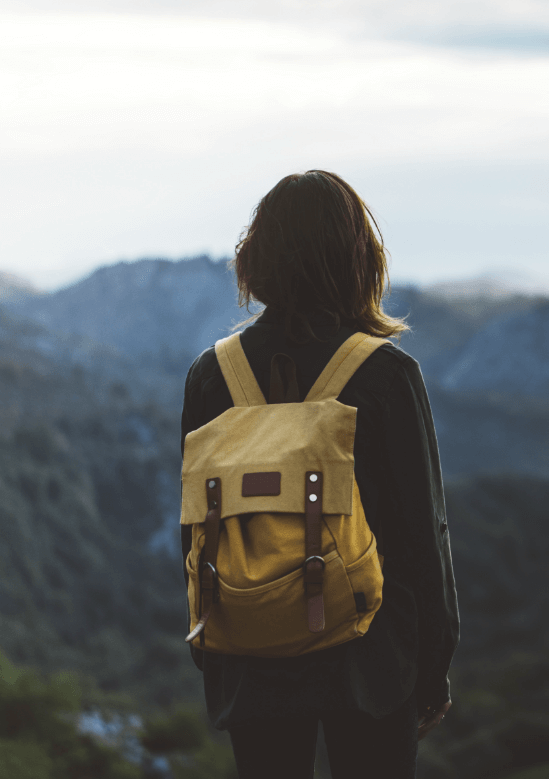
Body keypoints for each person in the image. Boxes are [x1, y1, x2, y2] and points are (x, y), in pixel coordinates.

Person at [179, 170, 459, 778]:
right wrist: (432, 666)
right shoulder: (385, 373)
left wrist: (213, 647)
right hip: (371, 656)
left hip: (250, 655)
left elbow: (196, 530)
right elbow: (422, 535)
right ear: (360, 259)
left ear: (257, 258)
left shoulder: (212, 375)